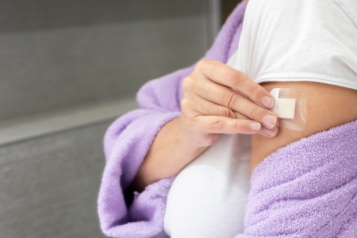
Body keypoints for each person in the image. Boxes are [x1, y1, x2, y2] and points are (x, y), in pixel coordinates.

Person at [98, 0, 357, 237]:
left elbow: (300, 222)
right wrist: (185, 133)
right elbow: (130, 165)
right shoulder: (247, 26)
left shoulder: (307, 13)